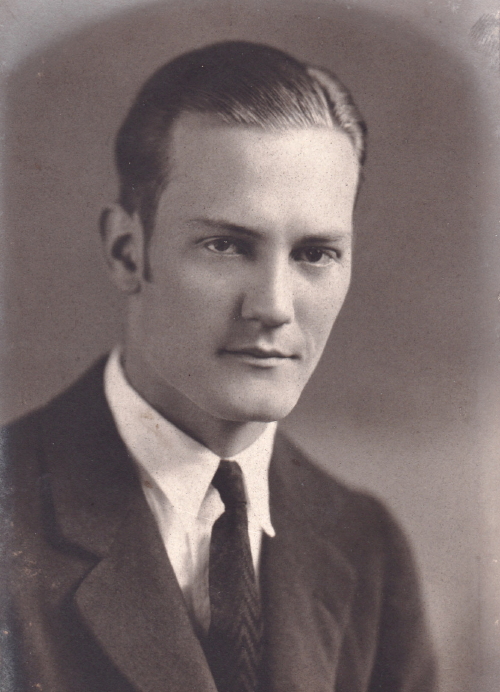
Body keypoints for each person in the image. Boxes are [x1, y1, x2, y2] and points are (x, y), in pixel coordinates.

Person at [1, 41, 436, 692]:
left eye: (315, 254)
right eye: (226, 245)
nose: (274, 307)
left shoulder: (366, 545)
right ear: (127, 252)